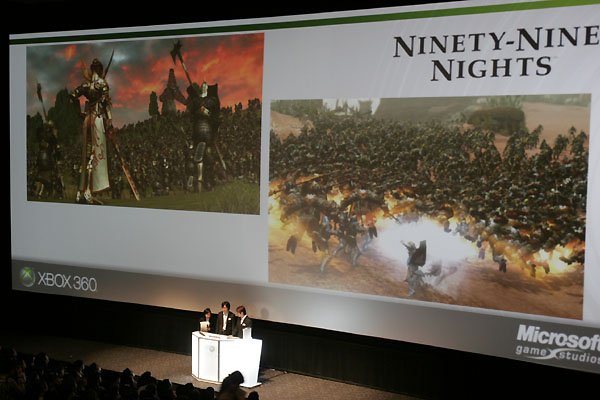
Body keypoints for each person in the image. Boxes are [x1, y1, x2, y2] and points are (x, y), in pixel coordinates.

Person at [70, 57, 113, 204]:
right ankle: (88, 192)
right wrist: (109, 120)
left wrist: (79, 113)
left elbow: (73, 95)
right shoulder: (102, 83)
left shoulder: (86, 84)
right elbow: (106, 103)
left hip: (87, 119)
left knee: (86, 155)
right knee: (95, 155)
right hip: (97, 119)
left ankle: (79, 192)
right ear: (100, 69)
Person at [186, 80, 220, 192]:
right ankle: (198, 182)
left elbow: (215, 115)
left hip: (208, 130)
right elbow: (191, 113)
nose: (203, 87)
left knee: (209, 156)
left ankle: (209, 182)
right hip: (198, 130)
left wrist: (207, 112)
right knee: (197, 156)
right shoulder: (196, 100)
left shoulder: (212, 100)